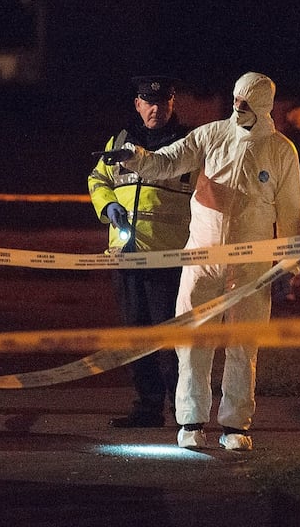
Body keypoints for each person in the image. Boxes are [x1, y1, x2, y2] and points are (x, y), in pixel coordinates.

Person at [101, 71, 300, 451]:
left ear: (262, 106)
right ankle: (191, 420)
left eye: (246, 102)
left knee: (243, 345)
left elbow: (291, 212)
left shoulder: (280, 151)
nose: (238, 107)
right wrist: (136, 158)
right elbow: (167, 162)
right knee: (191, 341)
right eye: (236, 99)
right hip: (202, 256)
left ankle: (236, 426)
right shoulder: (212, 135)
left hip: (251, 266)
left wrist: (289, 265)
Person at [88, 75, 194, 428]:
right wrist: (107, 207)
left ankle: (184, 410)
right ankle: (148, 406)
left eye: (162, 102)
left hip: (169, 256)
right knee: (136, 334)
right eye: (149, 102)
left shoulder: (186, 145)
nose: (155, 108)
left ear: (172, 105)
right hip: (126, 254)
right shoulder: (120, 141)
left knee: (170, 337)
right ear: (137, 104)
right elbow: (97, 179)